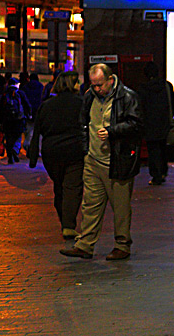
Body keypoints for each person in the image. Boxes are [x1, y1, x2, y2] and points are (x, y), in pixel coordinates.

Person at [60, 63, 143, 260]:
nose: (97, 89)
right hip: (93, 158)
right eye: (94, 85)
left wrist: (113, 131)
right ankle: (85, 244)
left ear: (110, 80)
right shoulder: (90, 96)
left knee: (121, 207)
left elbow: (137, 124)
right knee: (90, 204)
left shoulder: (127, 97)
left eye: (100, 85)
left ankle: (122, 245)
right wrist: (86, 151)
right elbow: (83, 124)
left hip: (117, 161)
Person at [28, 72, 86, 240]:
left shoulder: (47, 105)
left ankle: (64, 220)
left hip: (51, 152)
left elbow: (37, 130)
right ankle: (68, 225)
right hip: (74, 150)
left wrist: (33, 158)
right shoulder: (81, 104)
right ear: (73, 84)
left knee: (59, 186)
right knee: (72, 188)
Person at [137, 62, 174, 186]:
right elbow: (173, 106)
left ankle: (156, 175)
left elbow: (140, 108)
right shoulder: (166, 86)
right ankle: (163, 171)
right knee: (163, 148)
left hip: (149, 125)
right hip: (164, 123)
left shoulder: (142, 89)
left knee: (153, 151)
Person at [0, 78, 31, 164]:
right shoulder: (20, 93)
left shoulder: (5, 94)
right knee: (18, 136)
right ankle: (15, 150)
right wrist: (29, 114)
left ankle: (10, 155)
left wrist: (0, 122)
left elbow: (1, 109)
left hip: (7, 120)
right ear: (16, 84)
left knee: (8, 137)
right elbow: (27, 104)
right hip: (19, 119)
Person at [21, 73, 45, 153]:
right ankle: (37, 149)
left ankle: (28, 145)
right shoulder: (41, 87)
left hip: (29, 112)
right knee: (38, 132)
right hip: (38, 112)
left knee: (29, 130)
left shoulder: (25, 87)